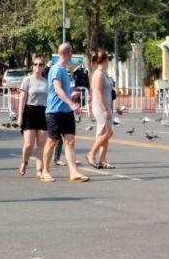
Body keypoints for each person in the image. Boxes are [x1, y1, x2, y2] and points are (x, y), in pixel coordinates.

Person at [41, 43, 89, 183]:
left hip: (66, 112)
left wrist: (71, 94)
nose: (72, 55)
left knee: (70, 141)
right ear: (69, 53)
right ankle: (45, 171)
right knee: (52, 141)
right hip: (54, 112)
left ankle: (73, 172)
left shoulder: (63, 70)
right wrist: (71, 103)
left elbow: (63, 90)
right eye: (71, 52)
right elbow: (57, 89)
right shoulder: (56, 69)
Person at [17, 56, 49, 180]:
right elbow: (22, 99)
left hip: (43, 112)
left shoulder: (46, 82)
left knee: (41, 145)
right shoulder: (27, 80)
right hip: (30, 111)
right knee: (29, 144)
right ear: (32, 66)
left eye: (40, 64)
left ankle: (39, 170)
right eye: (35, 64)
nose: (37, 67)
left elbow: (49, 99)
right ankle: (24, 163)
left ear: (43, 67)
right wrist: (20, 115)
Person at [86, 49, 116, 169]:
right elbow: (97, 93)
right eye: (108, 59)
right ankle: (91, 153)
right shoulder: (98, 74)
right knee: (108, 132)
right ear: (105, 60)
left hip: (106, 105)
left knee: (105, 132)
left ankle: (103, 160)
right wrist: (105, 109)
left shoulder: (104, 73)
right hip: (100, 106)